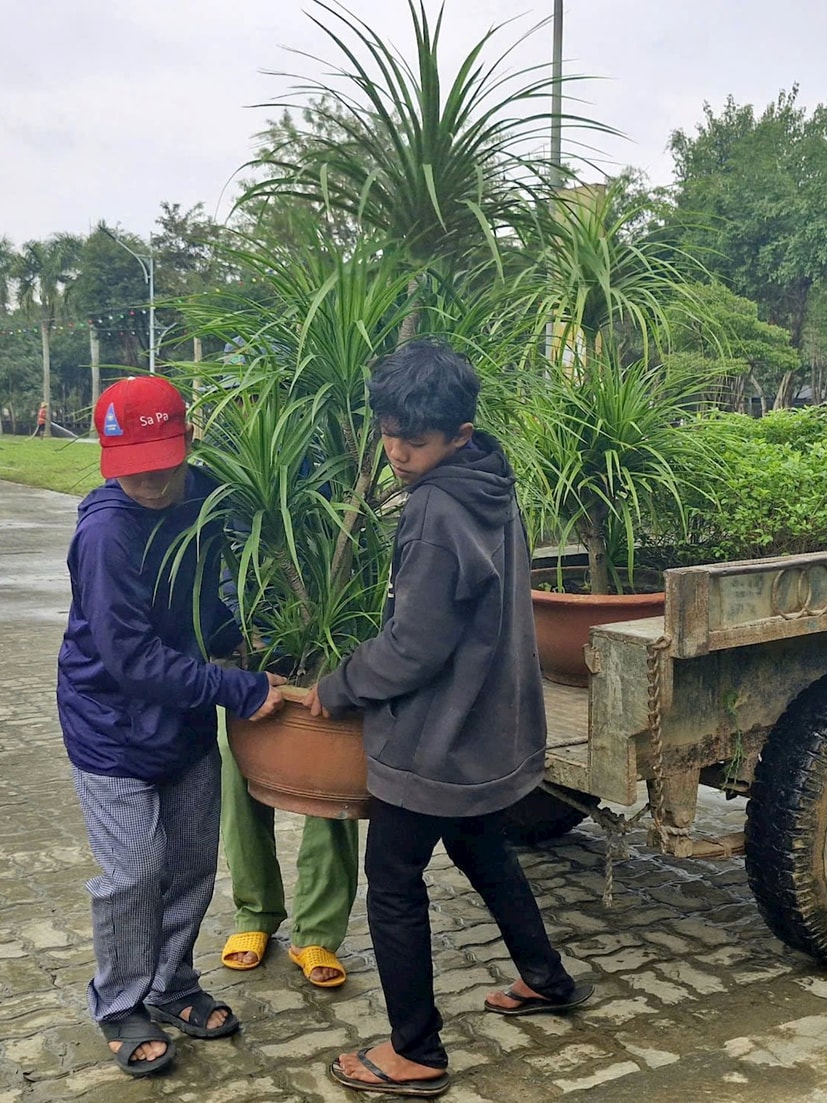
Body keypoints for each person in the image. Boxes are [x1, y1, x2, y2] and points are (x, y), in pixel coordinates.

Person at [310, 341, 591, 1098]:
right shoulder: (490, 481)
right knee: (482, 847)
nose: (398, 452)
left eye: (416, 440)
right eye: (390, 432)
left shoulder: (436, 510)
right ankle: (547, 978)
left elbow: (412, 647)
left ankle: (416, 1053)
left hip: (437, 738)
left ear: (458, 434)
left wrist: (337, 686)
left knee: (393, 878)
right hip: (485, 729)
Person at [57, 374, 286, 1079]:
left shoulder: (210, 498)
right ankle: (121, 1003)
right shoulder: (105, 535)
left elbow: (218, 595)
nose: (154, 479)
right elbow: (131, 660)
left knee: (189, 862)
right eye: (137, 466)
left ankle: (172, 982)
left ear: (187, 445)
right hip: (112, 725)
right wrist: (240, 688)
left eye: (166, 460)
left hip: (183, 721)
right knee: (133, 872)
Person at [217, 732, 360, 988]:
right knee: (234, 758)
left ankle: (318, 930)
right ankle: (256, 912)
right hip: (243, 693)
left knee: (333, 771)